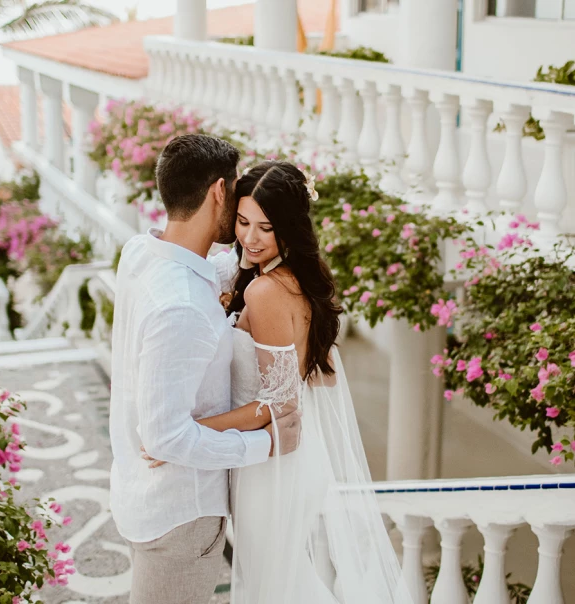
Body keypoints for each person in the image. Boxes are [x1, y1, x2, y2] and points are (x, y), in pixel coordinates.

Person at [145, 160, 414, 603]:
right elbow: (314, 380)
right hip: (288, 459)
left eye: (265, 228)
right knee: (283, 584)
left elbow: (281, 404)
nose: (249, 238)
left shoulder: (267, 291)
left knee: (274, 589)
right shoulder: (283, 281)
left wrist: (185, 434)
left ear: (288, 228)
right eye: (244, 222)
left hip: (272, 465)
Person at [108, 135, 301, 604]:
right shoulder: (185, 307)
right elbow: (167, 440)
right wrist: (265, 442)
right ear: (219, 191)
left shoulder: (140, 253)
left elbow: (210, 272)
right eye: (235, 195)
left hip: (140, 493)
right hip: (181, 517)